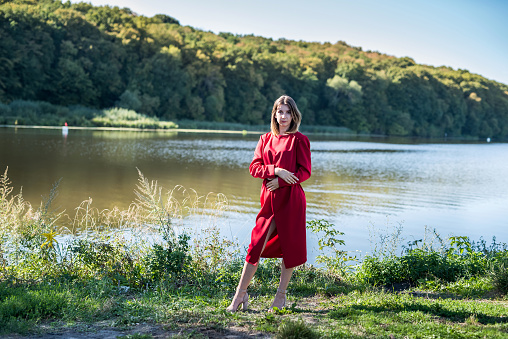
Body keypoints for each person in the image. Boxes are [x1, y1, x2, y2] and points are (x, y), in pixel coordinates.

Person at [226, 95, 311, 312]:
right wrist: (276, 170)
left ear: (294, 116)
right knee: (255, 247)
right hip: (269, 202)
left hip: (291, 200)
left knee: (290, 249)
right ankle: (240, 295)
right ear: (274, 114)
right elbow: (254, 168)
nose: (284, 116)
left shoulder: (299, 140)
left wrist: (280, 181)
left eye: (288, 112)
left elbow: (304, 172)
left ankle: (280, 296)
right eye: (280, 111)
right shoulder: (265, 139)